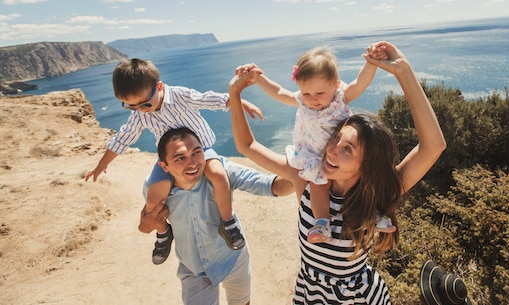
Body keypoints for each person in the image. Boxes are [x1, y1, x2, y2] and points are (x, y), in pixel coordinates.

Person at [228, 41, 446, 304]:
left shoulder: (376, 193)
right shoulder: (306, 178)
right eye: (335, 139)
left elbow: (434, 145)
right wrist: (235, 94)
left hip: (357, 298)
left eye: (348, 150)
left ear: (366, 163)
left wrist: (404, 71)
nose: (331, 151)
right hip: (310, 293)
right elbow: (246, 145)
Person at [85, 58, 262, 264]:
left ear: (159, 87)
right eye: (130, 107)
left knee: (218, 176)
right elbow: (124, 137)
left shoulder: (180, 95)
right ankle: (163, 232)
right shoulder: (141, 114)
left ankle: (227, 222)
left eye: (144, 104)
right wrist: (102, 164)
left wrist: (242, 103)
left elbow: (209, 99)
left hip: (200, 150)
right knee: (152, 197)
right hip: (169, 159)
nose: (140, 109)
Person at [234, 44, 395, 244]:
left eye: (319, 93)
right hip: (313, 156)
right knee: (318, 187)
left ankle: (372, 215)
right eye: (307, 93)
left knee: (360, 183)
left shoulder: (340, 98)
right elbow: (278, 92)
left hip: (338, 154)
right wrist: (258, 78)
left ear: (335, 85)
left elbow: (359, 83)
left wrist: (371, 63)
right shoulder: (302, 100)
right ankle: (321, 223)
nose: (313, 99)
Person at [138, 127, 294, 305]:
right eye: (180, 158)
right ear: (163, 166)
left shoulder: (221, 171)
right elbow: (145, 226)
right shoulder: (154, 188)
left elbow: (272, 186)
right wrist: (146, 225)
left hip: (232, 258)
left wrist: (298, 175)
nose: (193, 163)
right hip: (193, 267)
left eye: (197, 152)